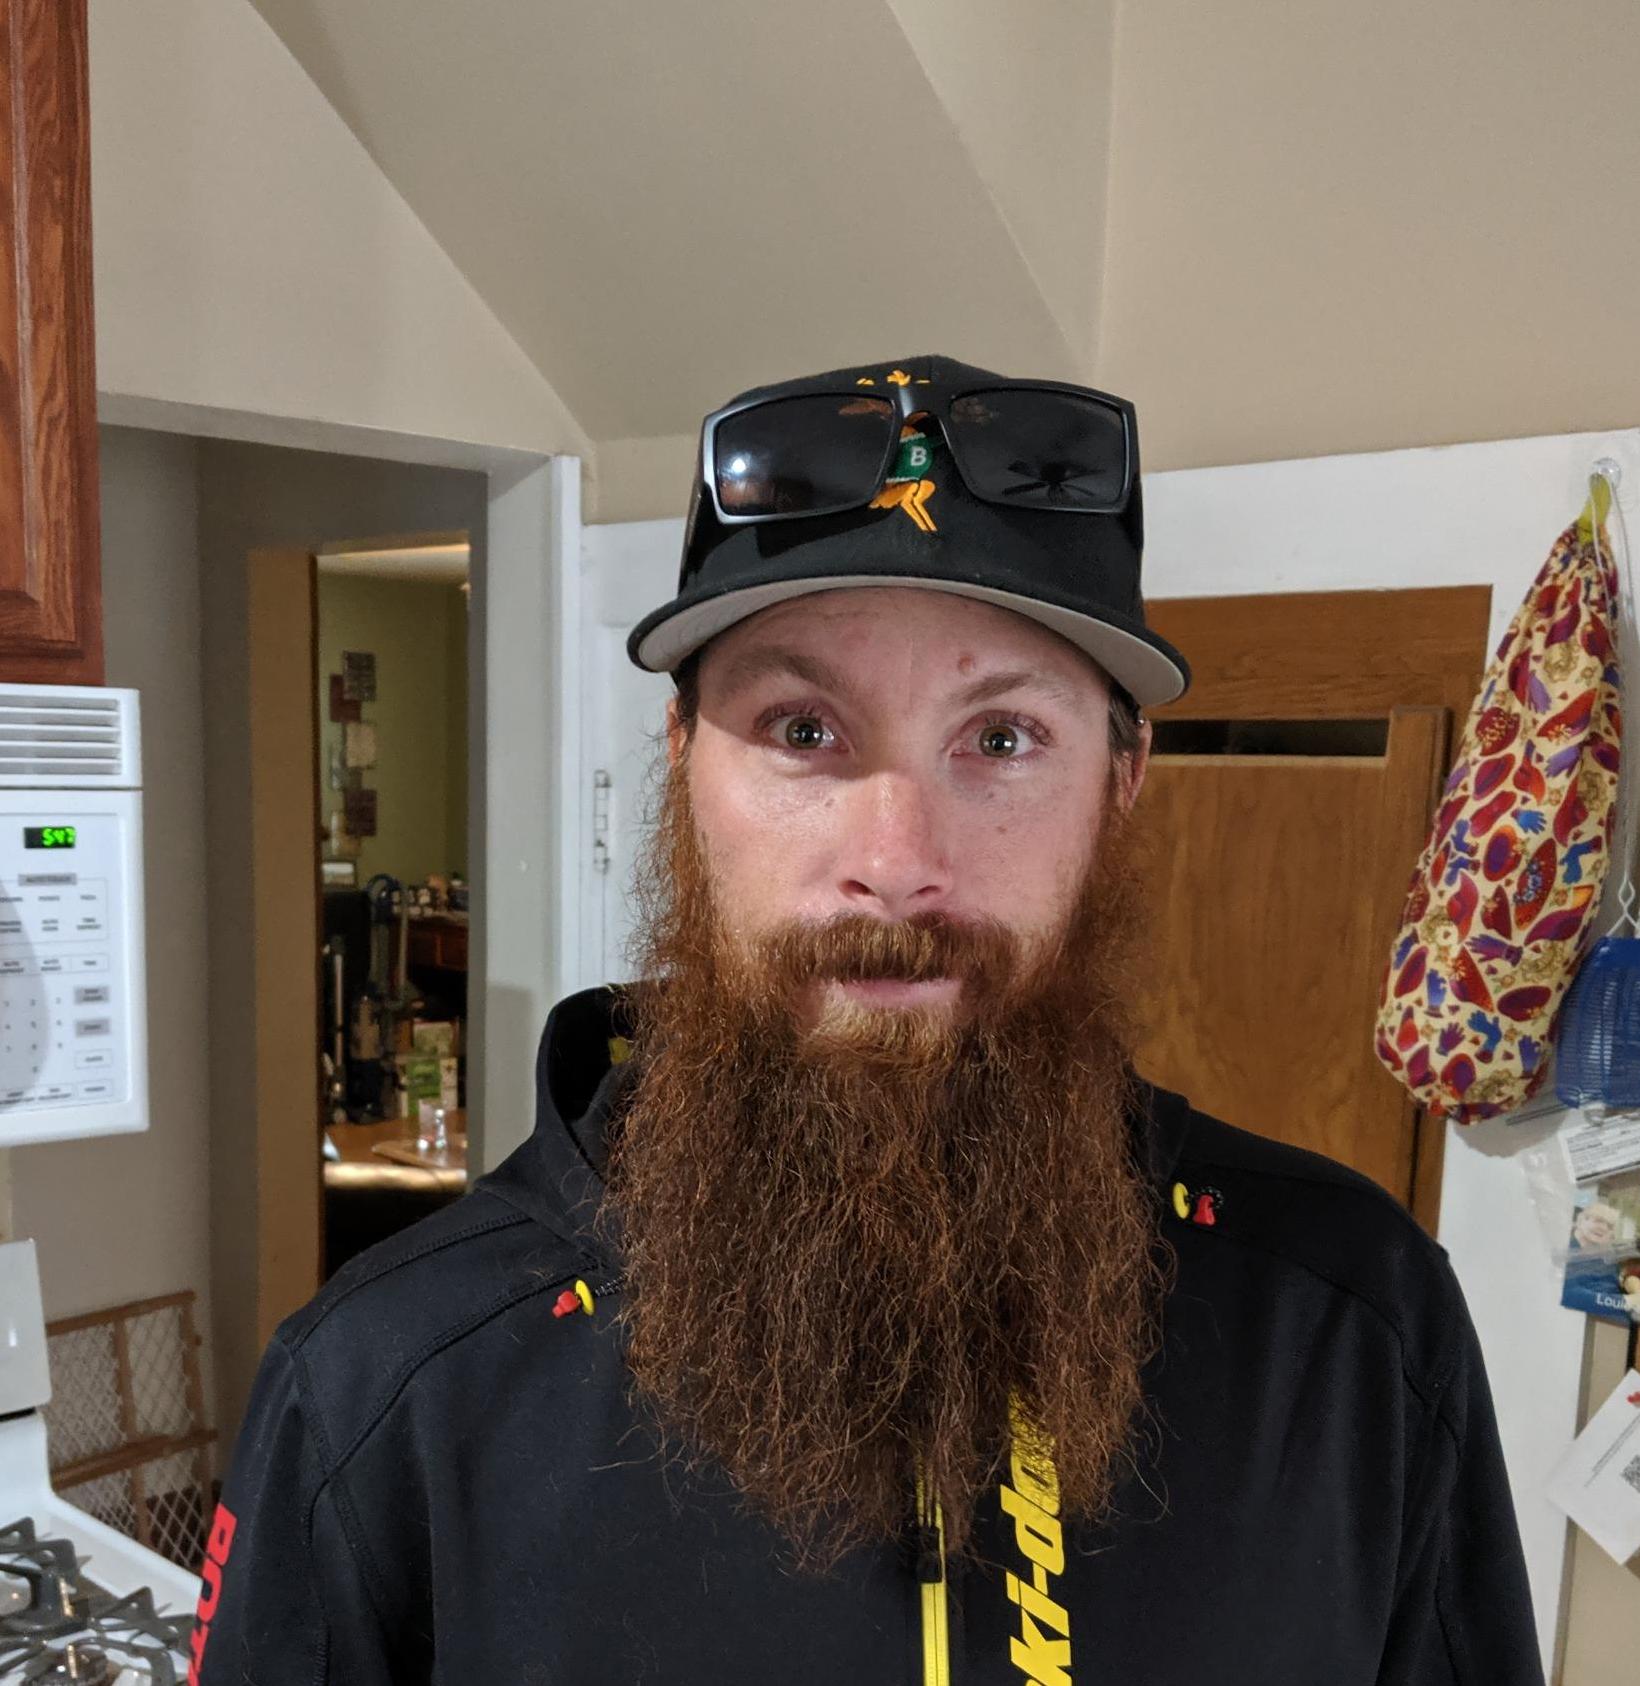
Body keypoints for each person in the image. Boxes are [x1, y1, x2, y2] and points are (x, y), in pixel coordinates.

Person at [195, 356, 1544, 1684]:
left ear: (1122, 781)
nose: (896, 861)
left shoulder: (1355, 1328)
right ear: (681, 762)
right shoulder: (384, 1389)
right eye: (802, 729)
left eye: (1001, 739)